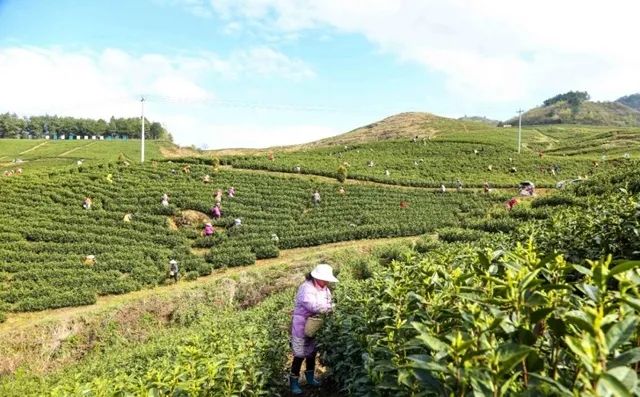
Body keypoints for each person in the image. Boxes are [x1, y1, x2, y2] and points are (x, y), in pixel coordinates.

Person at [289, 264, 338, 394]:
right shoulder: (306, 288)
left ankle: (310, 378)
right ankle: (294, 383)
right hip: (301, 324)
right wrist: (331, 308)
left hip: (315, 324)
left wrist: (331, 306)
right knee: (299, 354)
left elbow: (328, 302)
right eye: (325, 279)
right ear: (317, 277)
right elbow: (312, 306)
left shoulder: (325, 289)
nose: (327, 281)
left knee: (311, 352)